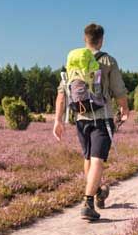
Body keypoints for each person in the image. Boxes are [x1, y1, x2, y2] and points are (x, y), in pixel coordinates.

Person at [53, 23, 129, 222]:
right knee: (98, 159)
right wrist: (124, 109)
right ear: (101, 40)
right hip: (101, 117)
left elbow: (62, 93)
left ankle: (97, 191)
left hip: (80, 118)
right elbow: (118, 89)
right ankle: (88, 202)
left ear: (85, 39)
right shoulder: (108, 60)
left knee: (88, 158)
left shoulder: (73, 61)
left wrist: (57, 121)